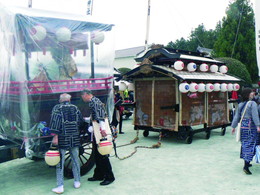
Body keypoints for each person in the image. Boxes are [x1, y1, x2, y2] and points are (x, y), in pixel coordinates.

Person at [50, 93, 83, 194]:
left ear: (60, 100)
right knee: (75, 160)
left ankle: (60, 186)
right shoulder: (75, 108)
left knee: (60, 162)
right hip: (74, 138)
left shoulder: (57, 108)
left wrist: (55, 136)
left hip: (62, 138)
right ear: (70, 99)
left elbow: (55, 122)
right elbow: (80, 121)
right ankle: (77, 181)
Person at [81, 89, 115, 185]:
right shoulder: (94, 101)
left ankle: (110, 177)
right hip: (97, 129)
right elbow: (96, 116)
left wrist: (103, 129)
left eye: (82, 96)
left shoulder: (94, 102)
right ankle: (99, 174)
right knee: (97, 154)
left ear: (87, 94)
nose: (82, 98)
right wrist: (88, 120)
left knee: (102, 154)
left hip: (100, 130)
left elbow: (100, 116)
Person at [231, 88, 260, 175]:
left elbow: (237, 116)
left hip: (243, 126)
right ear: (248, 94)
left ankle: (246, 163)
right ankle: (246, 166)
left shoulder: (241, 104)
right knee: (251, 145)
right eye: (251, 92)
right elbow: (255, 116)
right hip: (251, 127)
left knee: (245, 144)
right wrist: (258, 126)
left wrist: (233, 126)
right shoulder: (253, 104)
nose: (253, 93)